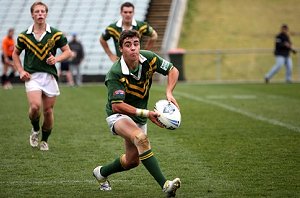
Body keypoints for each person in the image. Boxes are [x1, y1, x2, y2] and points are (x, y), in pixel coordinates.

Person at [93, 30, 181, 197]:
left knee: (132, 161)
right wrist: (147, 113)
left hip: (139, 116)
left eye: (136, 44)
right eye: (128, 45)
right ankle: (165, 185)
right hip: (118, 115)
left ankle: (101, 172)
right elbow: (117, 106)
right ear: (121, 49)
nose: (133, 48)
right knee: (141, 138)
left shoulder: (148, 58)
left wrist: (169, 92)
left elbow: (173, 70)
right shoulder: (115, 73)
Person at [12, 1, 72, 151]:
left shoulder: (56, 34)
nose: (40, 14)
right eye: (37, 11)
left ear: (46, 14)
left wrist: (56, 59)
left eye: (42, 11)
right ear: (32, 14)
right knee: (34, 107)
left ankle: (44, 140)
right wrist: (20, 70)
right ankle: (35, 130)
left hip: (50, 77)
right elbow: (15, 54)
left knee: (48, 111)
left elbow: (68, 52)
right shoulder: (24, 36)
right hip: (32, 77)